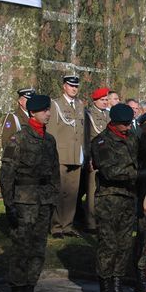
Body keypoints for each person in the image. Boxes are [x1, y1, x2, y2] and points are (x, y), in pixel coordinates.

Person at [0, 94, 59, 292]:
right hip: (24, 201)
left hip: (43, 201)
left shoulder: (49, 139)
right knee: (21, 251)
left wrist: (53, 199)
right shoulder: (19, 138)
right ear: (33, 112)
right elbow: (6, 173)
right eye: (44, 110)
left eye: (49, 110)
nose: (48, 114)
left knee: (37, 251)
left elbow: (54, 172)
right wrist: (9, 204)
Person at [91, 103, 143, 292]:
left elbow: (140, 158)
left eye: (129, 124)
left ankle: (118, 288)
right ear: (114, 122)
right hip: (109, 199)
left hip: (129, 198)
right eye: (124, 124)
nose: (128, 127)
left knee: (124, 245)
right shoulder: (102, 142)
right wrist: (138, 175)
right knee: (108, 245)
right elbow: (110, 172)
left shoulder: (131, 138)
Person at [47, 75, 85, 239]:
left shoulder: (80, 105)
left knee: (72, 193)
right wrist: (52, 155)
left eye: (76, 86)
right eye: (71, 86)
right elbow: (52, 131)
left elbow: (82, 132)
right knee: (59, 191)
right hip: (61, 154)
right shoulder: (55, 104)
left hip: (76, 155)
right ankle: (56, 226)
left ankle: (67, 225)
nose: (74, 88)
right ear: (64, 87)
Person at [83, 87, 110, 233]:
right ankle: (91, 222)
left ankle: (102, 221)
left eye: (106, 100)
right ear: (95, 101)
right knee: (92, 191)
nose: (105, 102)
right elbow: (86, 139)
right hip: (94, 157)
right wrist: (88, 159)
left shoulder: (108, 115)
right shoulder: (89, 115)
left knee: (104, 191)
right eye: (102, 100)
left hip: (107, 158)